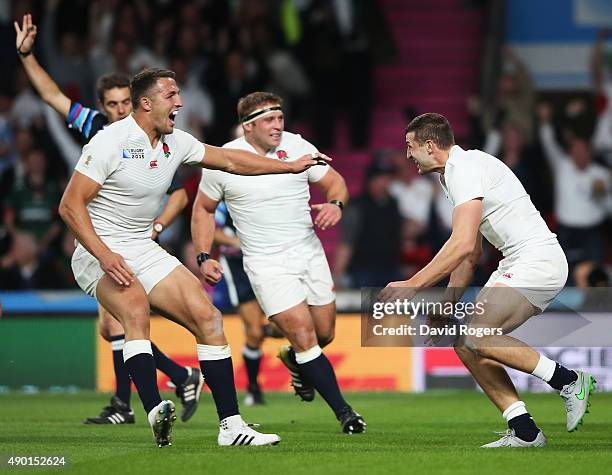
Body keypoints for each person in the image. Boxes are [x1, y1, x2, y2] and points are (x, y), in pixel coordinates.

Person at [58, 68, 325, 447]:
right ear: (146, 103)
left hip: (141, 246)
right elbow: (70, 206)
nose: (180, 103)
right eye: (171, 96)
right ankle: (154, 410)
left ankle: (231, 426)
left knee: (208, 317)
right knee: (134, 309)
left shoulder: (176, 141)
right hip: (95, 250)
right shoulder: (109, 142)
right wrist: (103, 255)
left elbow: (231, 161)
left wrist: (289, 166)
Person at [15, 14, 201, 425]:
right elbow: (50, 94)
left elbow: (179, 195)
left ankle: (128, 402)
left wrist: (155, 229)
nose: (118, 110)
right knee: (111, 325)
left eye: (123, 103)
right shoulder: (100, 130)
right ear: (102, 107)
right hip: (100, 236)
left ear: (136, 102)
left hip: (137, 239)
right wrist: (27, 57)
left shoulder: (157, 137)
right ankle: (176, 375)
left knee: (119, 320)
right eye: (112, 104)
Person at [380, 113, 594, 448]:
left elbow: (462, 243)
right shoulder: (455, 174)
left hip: (536, 260)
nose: (408, 155)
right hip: (522, 262)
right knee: (465, 343)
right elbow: (471, 253)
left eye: (411, 147)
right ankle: (525, 432)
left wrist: (413, 283)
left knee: (478, 334)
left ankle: (568, 380)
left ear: (431, 146)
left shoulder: (463, 169)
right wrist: (446, 305)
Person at [192, 91, 366, 434]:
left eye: (280, 118)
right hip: (264, 261)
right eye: (269, 120)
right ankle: (346, 414)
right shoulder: (225, 160)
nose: (277, 125)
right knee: (303, 334)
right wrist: (203, 254)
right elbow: (203, 209)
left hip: (309, 253)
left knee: (324, 333)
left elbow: (336, 183)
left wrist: (336, 205)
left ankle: (294, 358)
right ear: (247, 127)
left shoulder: (298, 146)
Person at [213, 201, 271, 406]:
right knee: (254, 332)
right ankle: (254, 387)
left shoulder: (265, 196)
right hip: (238, 267)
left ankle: (295, 354)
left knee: (284, 326)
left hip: (269, 263)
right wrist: (240, 242)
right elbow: (212, 230)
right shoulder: (224, 202)